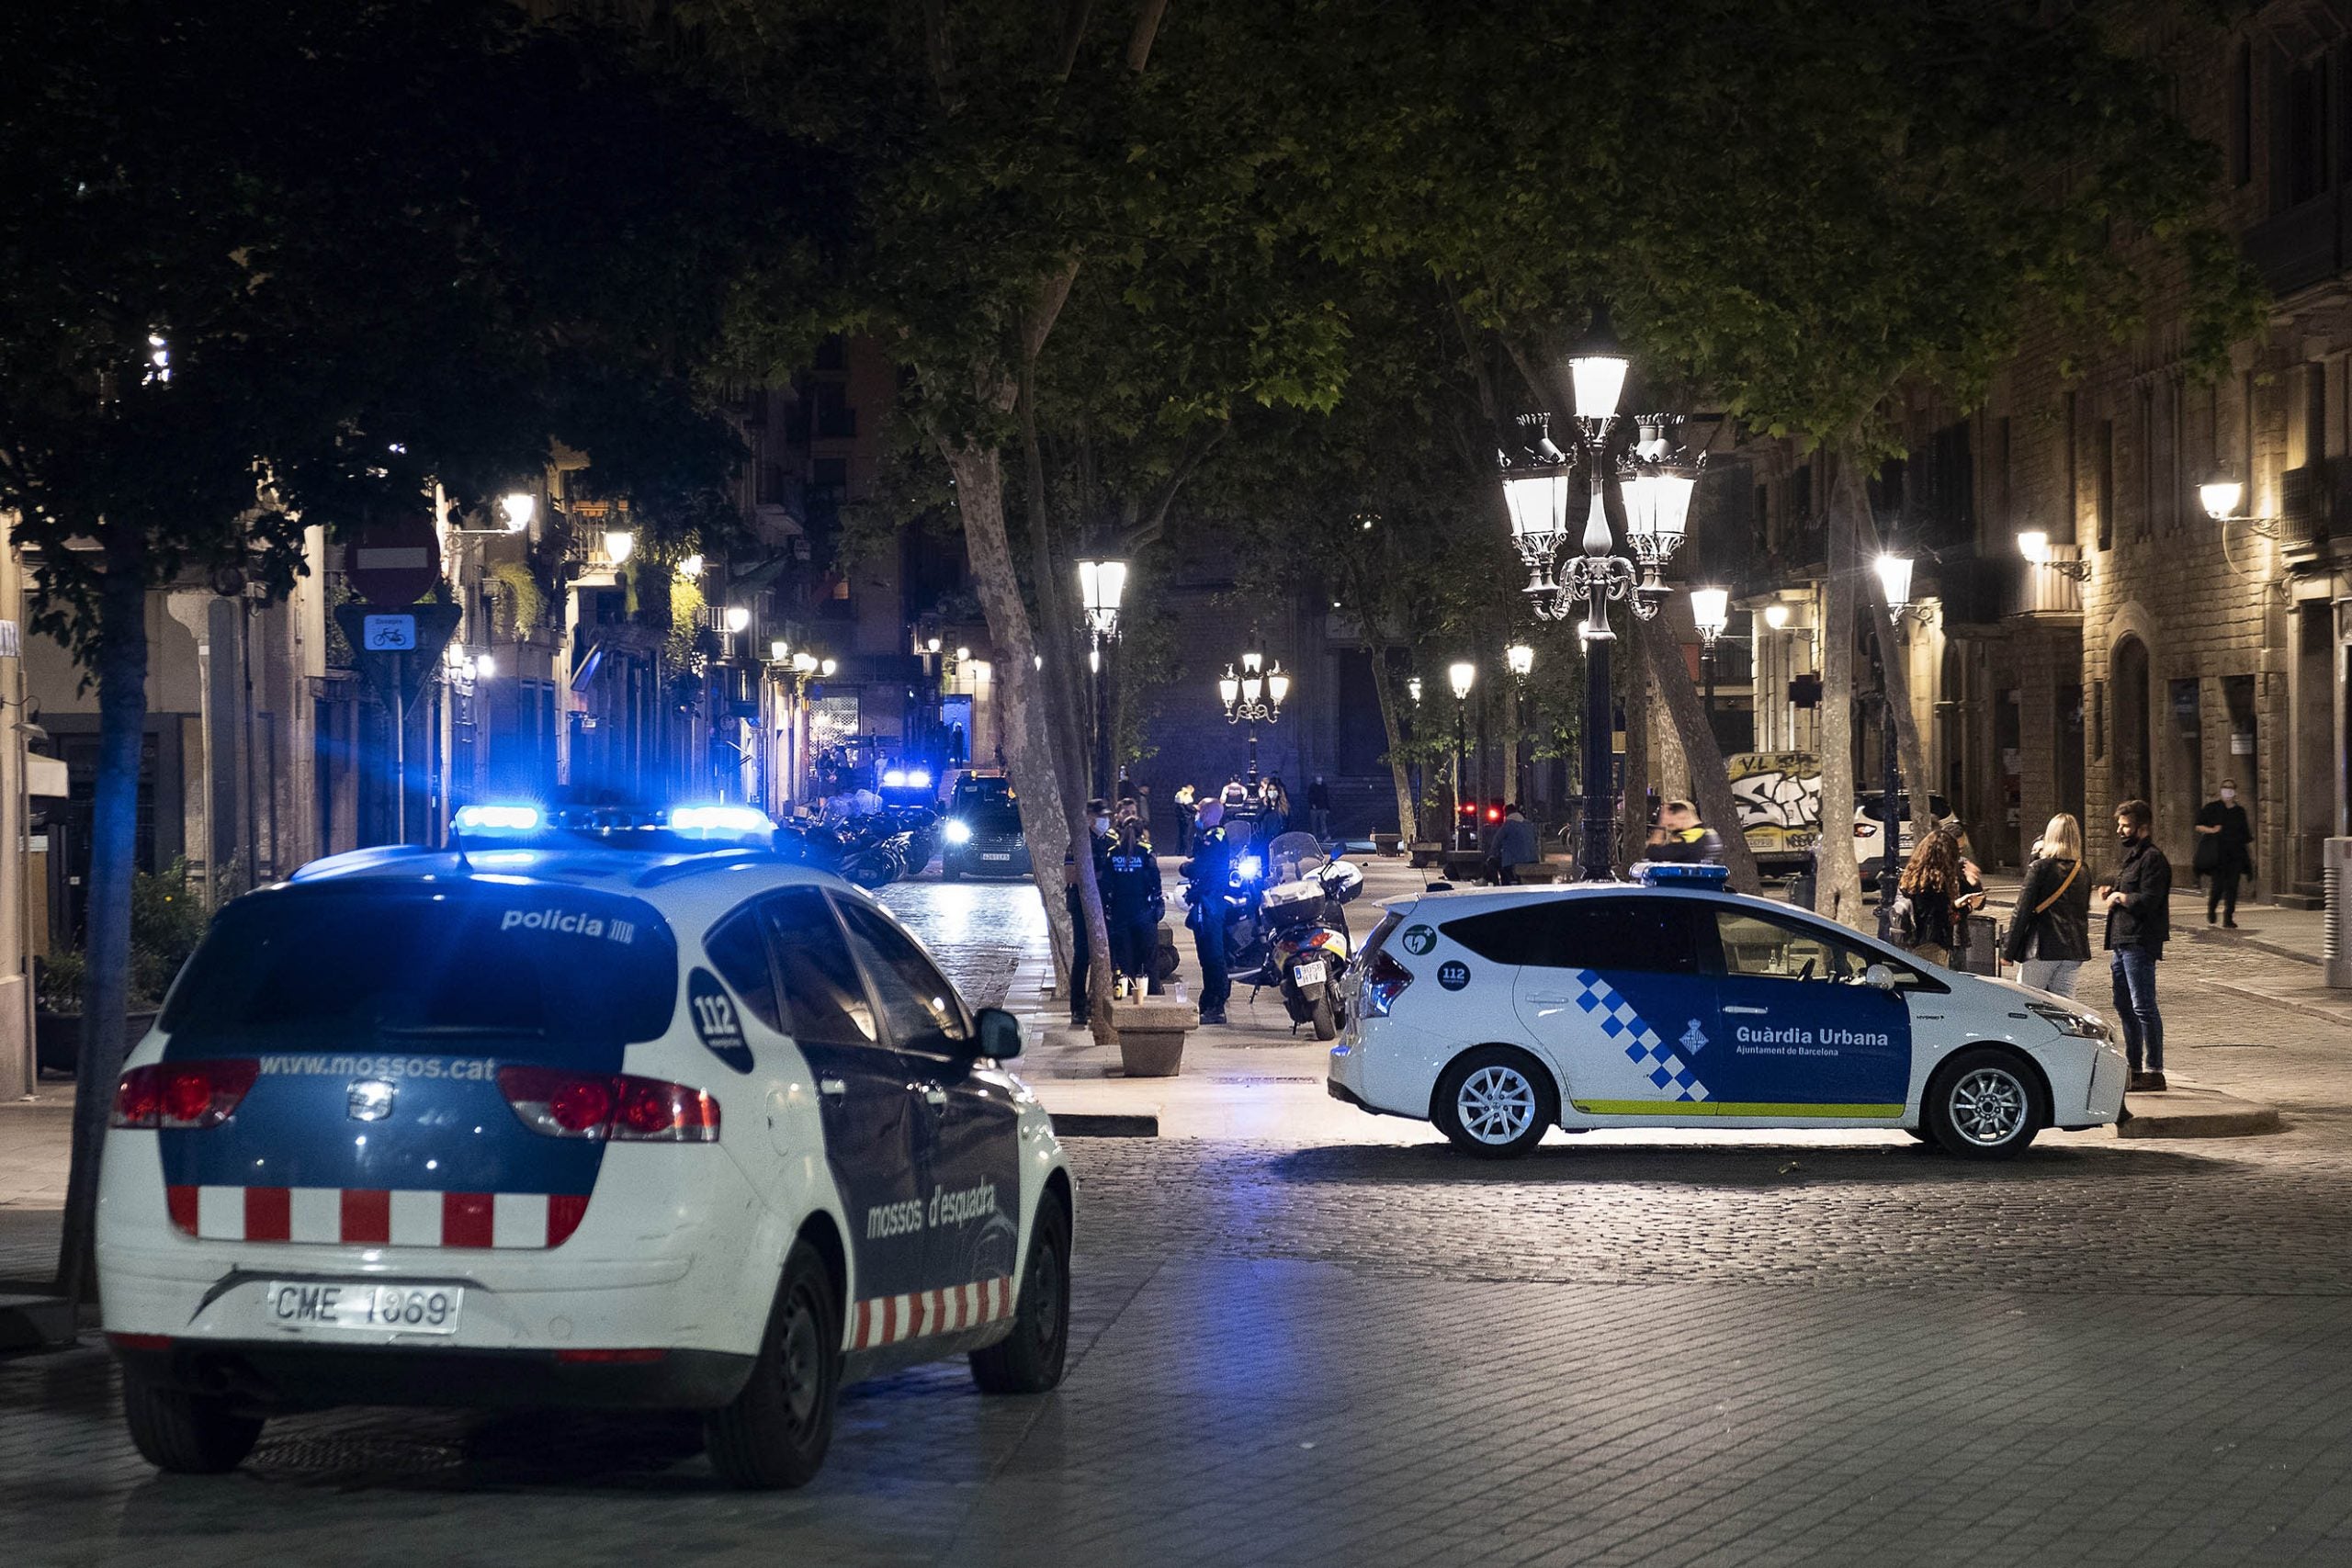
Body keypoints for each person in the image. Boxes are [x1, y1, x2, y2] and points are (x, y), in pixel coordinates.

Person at [2096, 798, 2172, 1092]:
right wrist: (2113, 891)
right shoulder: (2133, 857)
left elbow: (2150, 900)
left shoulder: (2153, 858)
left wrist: (2121, 898)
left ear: (2143, 828)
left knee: (2144, 1007)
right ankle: (2134, 1067)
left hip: (2139, 941)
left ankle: (2154, 1071)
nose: (2120, 830)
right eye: (2119, 825)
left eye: (2125, 826)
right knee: (2123, 1004)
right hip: (2122, 941)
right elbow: (2132, 889)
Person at [2004, 813, 2092, 996]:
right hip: (2074, 949)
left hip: (2043, 947)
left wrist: (2008, 951)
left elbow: (2022, 912)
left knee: (2029, 1001)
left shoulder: (2040, 868)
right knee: (2065, 1007)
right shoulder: (2082, 870)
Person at [1181, 800, 1235, 1024]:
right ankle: (1208, 1000)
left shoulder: (1214, 838)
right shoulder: (1208, 837)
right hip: (1205, 899)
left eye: (1201, 811)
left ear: (1209, 813)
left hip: (1211, 900)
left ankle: (1217, 1004)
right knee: (1206, 955)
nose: (1198, 816)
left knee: (1213, 954)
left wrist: (1185, 867)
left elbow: (1200, 867)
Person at [1063, 798, 1114, 1027]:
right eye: (1099, 816)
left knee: (1105, 955)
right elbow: (1072, 875)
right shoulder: (1079, 843)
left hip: (1106, 904)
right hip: (1082, 906)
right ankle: (1078, 1007)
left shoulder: (1110, 841)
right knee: (1082, 955)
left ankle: (1099, 1000)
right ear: (1089, 818)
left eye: (1105, 816)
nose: (1104, 820)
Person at [1103, 815, 1165, 997]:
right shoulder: (1146, 851)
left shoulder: (1113, 852)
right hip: (1144, 912)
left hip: (1120, 913)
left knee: (1124, 961)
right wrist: (1157, 902)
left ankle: (1125, 996)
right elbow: (1155, 880)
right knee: (1149, 960)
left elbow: (1107, 884)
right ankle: (1153, 994)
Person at [1892, 829, 1966, 966]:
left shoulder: (1913, 876)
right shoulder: (1936, 882)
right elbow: (1939, 918)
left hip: (1912, 942)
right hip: (1932, 945)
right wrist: (1964, 907)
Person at [2193, 778, 2254, 928]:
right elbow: (2198, 826)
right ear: (2221, 790)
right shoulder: (2212, 808)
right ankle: (2212, 909)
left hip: (2235, 855)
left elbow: (2245, 836)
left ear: (2235, 792)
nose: (2228, 791)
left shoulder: (2239, 812)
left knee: (2232, 887)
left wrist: (2250, 857)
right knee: (2218, 886)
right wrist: (2212, 830)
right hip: (2218, 855)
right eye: (2225, 788)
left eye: (2231, 788)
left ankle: (2228, 917)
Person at [1646, 799, 1724, 864]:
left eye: (1669, 815)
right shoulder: (1710, 833)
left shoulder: (1689, 839)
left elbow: (1653, 854)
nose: (1667, 824)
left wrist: (1661, 826)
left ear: (1682, 815)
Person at [1487, 802, 1538, 885]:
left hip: (1513, 861)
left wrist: (1492, 854)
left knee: (1493, 862)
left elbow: (1496, 841)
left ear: (1506, 813)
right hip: (1533, 859)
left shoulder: (1508, 825)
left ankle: (1497, 885)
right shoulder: (1528, 824)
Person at [1173, 783, 1197, 855]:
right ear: (1190, 789)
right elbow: (1188, 807)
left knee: (1181, 834)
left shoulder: (1178, 794)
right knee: (1187, 835)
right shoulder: (1186, 795)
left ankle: (1179, 851)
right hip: (1187, 817)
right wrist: (1195, 808)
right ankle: (1186, 852)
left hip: (1180, 817)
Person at [1307, 775, 1332, 841]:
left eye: (1320, 779)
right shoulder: (1312, 787)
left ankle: (1324, 835)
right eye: (1318, 779)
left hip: (1323, 807)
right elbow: (1310, 796)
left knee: (1323, 822)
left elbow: (1326, 797)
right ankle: (1314, 836)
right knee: (1314, 823)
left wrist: (1328, 808)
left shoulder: (1324, 786)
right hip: (1314, 808)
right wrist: (1312, 804)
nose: (1319, 780)